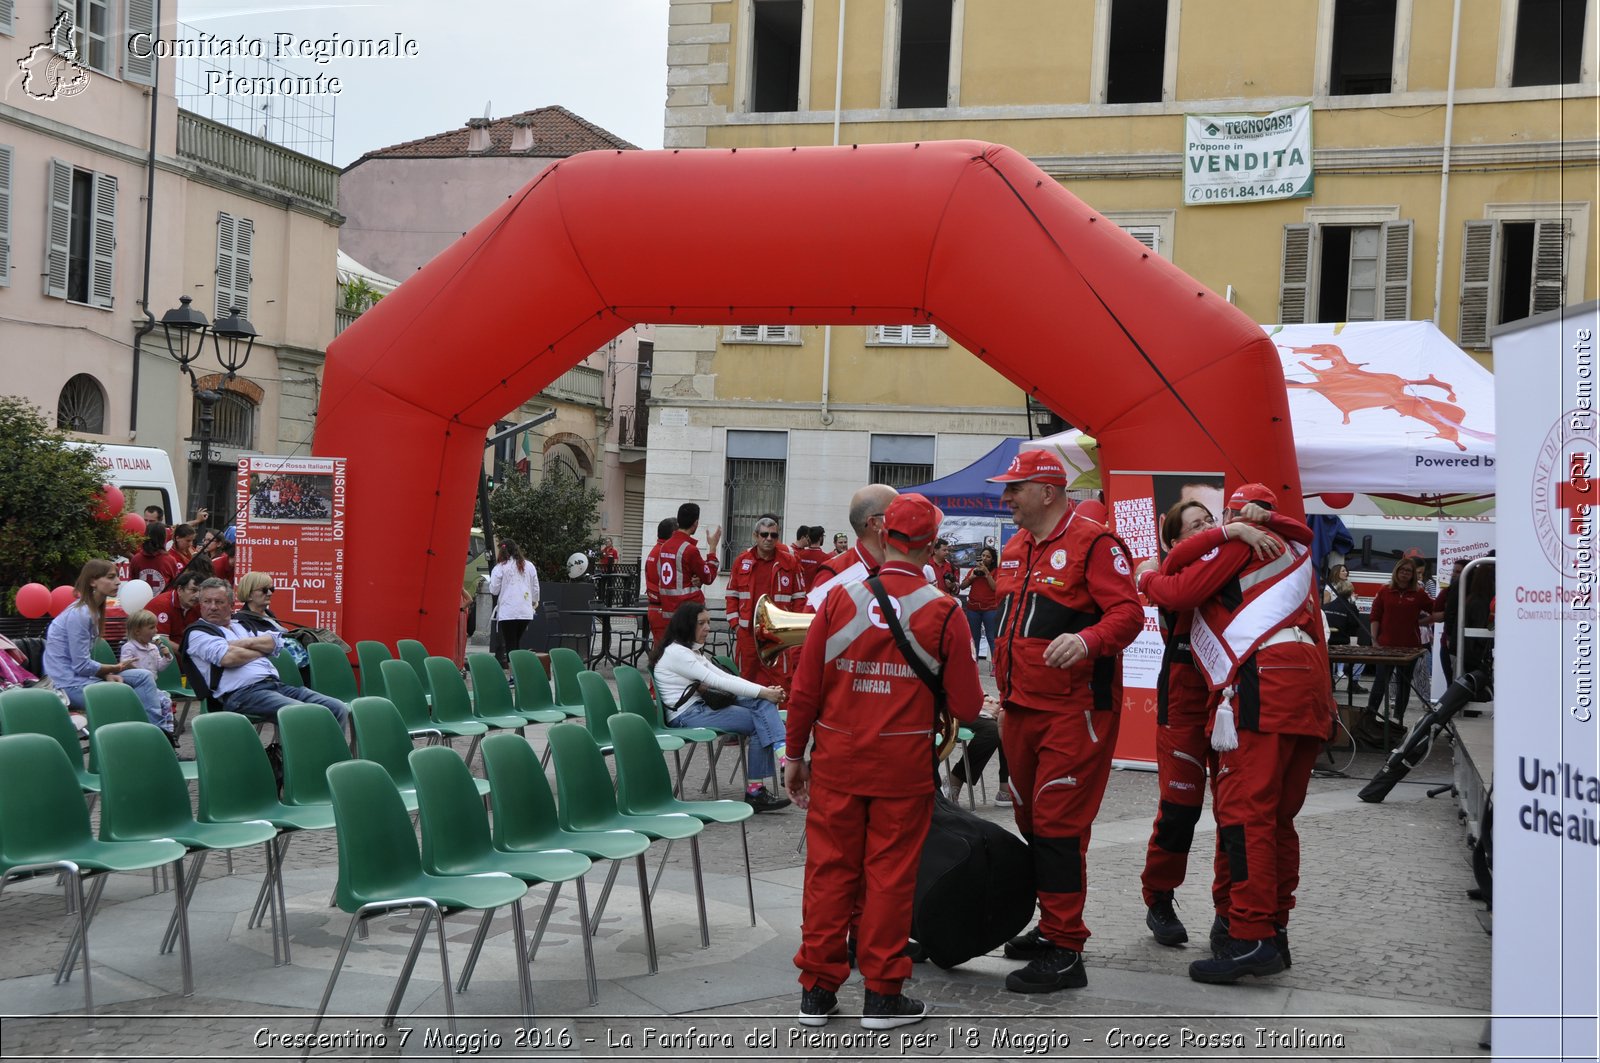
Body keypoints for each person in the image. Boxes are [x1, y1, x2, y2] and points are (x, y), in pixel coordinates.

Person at [785, 493, 984, 1030]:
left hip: (837, 759)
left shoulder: (838, 598)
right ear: (929, 544)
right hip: (902, 765)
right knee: (890, 879)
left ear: (885, 533)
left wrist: (793, 755)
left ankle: (817, 993)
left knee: (828, 874)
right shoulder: (945, 610)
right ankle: (882, 995)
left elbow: (805, 689)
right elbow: (967, 708)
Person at [1135, 483, 1334, 985]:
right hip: (1289, 688)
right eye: (1198, 523)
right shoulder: (1292, 548)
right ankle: (1263, 924)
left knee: (1245, 817)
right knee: (1266, 818)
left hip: (1254, 690)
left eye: (1216, 518)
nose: (1210, 528)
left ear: (1244, 514)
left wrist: (1226, 533)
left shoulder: (1241, 544)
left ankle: (1250, 935)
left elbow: (1173, 589)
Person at [986, 449, 1142, 994]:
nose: (1006, 498)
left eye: (1015, 488)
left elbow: (1130, 613)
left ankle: (1066, 948)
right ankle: (1053, 927)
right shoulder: (1015, 546)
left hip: (1075, 714)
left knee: (1056, 824)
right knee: (1033, 824)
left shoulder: (1095, 543)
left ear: (1047, 491)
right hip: (1020, 708)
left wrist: (1087, 639)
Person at [651, 601, 790, 811]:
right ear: (686, 625)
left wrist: (764, 691)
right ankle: (760, 787)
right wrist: (765, 691)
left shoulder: (690, 651)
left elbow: (725, 676)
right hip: (687, 715)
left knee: (762, 704)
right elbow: (718, 682)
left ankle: (781, 762)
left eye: (708, 622)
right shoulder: (677, 653)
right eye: (701, 623)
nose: (708, 628)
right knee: (758, 719)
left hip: (701, 708)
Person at [182, 578, 348, 724]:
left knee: (336, 707)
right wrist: (261, 650)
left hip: (275, 686)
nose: (212, 607)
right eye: (206, 602)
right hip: (242, 694)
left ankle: (331, 757)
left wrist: (240, 643)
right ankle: (306, 758)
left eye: (219, 602)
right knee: (301, 713)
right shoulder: (197, 632)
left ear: (231, 605)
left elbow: (275, 642)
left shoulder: (241, 625)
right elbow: (229, 658)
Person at [43, 560, 175, 739]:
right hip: (67, 685)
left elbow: (83, 665)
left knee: (143, 676)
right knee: (124, 693)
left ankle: (157, 736)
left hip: (82, 678)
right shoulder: (80, 614)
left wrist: (105, 674)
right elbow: (81, 666)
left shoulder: (92, 611)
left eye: (118, 577)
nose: (119, 582)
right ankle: (142, 739)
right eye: (111, 577)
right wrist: (115, 668)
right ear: (92, 582)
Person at [724, 515, 804, 685]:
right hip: (747, 634)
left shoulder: (790, 562)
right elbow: (732, 595)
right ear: (755, 536)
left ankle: (779, 712)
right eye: (764, 534)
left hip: (778, 635)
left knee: (781, 682)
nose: (769, 539)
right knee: (746, 681)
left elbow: (799, 598)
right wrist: (736, 625)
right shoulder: (741, 561)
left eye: (773, 535)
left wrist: (792, 631)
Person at [1365, 557, 1439, 726]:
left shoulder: (1419, 593)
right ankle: (1369, 716)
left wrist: (1422, 622)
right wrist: (1374, 641)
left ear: (1413, 575)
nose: (1405, 573)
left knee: (1404, 685)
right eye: (1402, 570)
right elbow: (1375, 616)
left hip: (1409, 647)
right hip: (1385, 647)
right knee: (1380, 682)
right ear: (1396, 571)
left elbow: (1435, 610)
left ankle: (1398, 719)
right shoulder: (1384, 591)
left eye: (1409, 571)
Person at [805, 484, 898, 609]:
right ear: (874, 523)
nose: (905, 519)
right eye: (896, 512)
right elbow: (808, 625)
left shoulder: (906, 565)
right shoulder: (834, 573)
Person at [656, 503, 722, 636]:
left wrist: (695, 578)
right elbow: (708, 577)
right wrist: (713, 548)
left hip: (668, 610)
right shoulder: (689, 549)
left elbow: (667, 574)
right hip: (689, 612)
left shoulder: (664, 546)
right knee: (690, 651)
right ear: (695, 523)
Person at [118, 609, 177, 720]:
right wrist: (132, 666)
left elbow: (160, 667)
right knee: (157, 703)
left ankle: (167, 726)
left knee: (166, 700)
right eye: (151, 628)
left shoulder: (153, 648)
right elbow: (124, 665)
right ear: (137, 632)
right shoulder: (129, 647)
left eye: (155, 627)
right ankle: (158, 723)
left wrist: (167, 657)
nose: (156, 630)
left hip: (152, 685)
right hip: (136, 687)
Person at [489, 540, 540, 664]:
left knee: (511, 643)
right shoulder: (529, 565)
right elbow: (535, 587)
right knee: (516, 641)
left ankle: (514, 673)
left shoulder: (500, 567)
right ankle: (518, 671)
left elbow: (494, 590)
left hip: (508, 611)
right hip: (525, 610)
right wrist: (534, 601)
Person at [1321, 563, 1367, 692]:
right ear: (1350, 593)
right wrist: (1352, 645)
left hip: (1327, 642)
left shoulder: (1326, 608)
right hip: (1343, 642)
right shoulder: (1351, 608)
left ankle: (1330, 682)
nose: (1346, 573)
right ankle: (1353, 683)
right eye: (1343, 571)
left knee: (1328, 657)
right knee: (1363, 654)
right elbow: (1353, 628)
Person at [149, 570, 205, 654]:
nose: (197, 596)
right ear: (179, 590)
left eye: (200, 592)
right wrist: (190, 654)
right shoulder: (162, 604)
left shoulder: (200, 604)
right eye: (193, 590)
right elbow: (161, 641)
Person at [960, 545, 1001, 660]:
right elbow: (962, 587)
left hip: (990, 609)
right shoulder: (974, 570)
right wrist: (972, 577)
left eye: (988, 556)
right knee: (974, 638)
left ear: (992, 559)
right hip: (973, 609)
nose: (984, 558)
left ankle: (995, 665)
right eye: (983, 555)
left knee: (992, 638)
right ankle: (974, 664)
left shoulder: (996, 571)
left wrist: (987, 573)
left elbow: (995, 588)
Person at [645, 517, 678, 644]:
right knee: (666, 654)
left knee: (660, 651)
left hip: (656, 609)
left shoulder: (655, 550)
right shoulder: (665, 553)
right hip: (663, 610)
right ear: (674, 534)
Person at [128, 521, 180, 597]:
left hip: (141, 604)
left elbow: (131, 584)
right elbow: (175, 584)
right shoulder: (170, 560)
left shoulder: (136, 559)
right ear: (163, 538)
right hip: (163, 604)